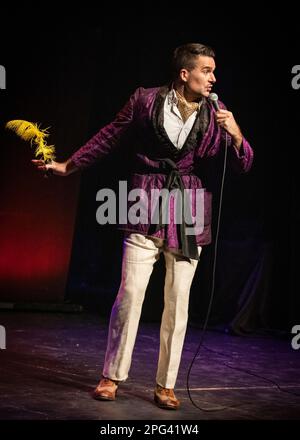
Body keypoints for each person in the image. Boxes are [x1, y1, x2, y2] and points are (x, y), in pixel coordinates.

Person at [32, 43, 254, 410]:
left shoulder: (217, 112)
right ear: (185, 74)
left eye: (214, 71)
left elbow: (244, 162)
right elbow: (108, 135)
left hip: (188, 206)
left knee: (178, 300)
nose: (213, 78)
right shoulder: (145, 100)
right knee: (131, 292)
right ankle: (111, 375)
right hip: (145, 200)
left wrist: (235, 131)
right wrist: (67, 166)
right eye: (206, 70)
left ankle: (166, 384)